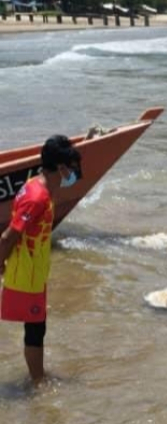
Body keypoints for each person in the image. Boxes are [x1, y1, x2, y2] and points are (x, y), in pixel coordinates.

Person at [0, 135, 82, 386]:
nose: (74, 172)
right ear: (62, 167)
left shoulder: (38, 186)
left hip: (34, 272)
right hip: (26, 274)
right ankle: (37, 383)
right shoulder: (38, 197)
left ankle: (37, 377)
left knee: (37, 327)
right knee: (35, 329)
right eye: (72, 166)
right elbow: (8, 236)